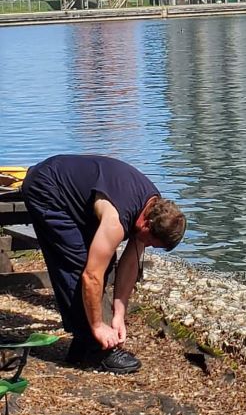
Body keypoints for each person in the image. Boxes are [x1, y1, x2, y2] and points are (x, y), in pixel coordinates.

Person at [21, 154, 187, 374]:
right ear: (146, 223)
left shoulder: (152, 207)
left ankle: (82, 346)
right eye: (149, 241)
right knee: (78, 265)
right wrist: (99, 326)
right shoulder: (116, 219)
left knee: (105, 263)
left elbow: (129, 263)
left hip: (73, 193)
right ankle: (96, 349)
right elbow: (91, 276)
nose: (146, 245)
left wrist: (119, 314)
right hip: (46, 188)